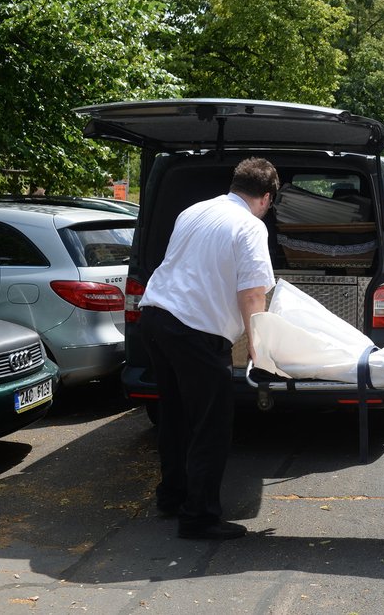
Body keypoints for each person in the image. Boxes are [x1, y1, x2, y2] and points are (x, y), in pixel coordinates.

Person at [139, 157, 279, 540]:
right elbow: (252, 293)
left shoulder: (195, 210)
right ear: (266, 197)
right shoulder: (250, 226)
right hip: (192, 330)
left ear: (235, 184)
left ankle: (172, 498)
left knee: (175, 416)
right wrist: (258, 346)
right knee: (211, 424)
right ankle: (198, 517)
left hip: (155, 317)